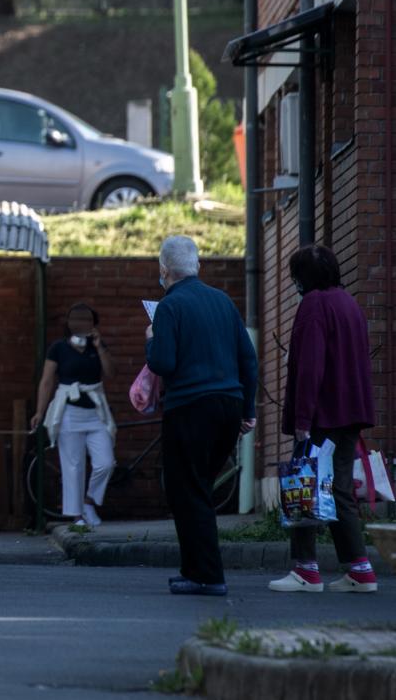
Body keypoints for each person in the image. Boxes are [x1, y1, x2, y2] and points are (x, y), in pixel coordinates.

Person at [145, 236, 257, 596]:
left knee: (186, 491)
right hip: (228, 406)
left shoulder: (169, 307)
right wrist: (248, 409)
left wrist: (151, 338)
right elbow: (248, 359)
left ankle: (207, 575)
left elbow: (163, 363)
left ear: (164, 270)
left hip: (189, 407)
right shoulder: (224, 302)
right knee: (200, 489)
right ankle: (198, 571)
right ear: (198, 266)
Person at [268, 245, 379, 594]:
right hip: (350, 413)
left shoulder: (314, 305)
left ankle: (305, 569)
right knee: (340, 490)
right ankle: (359, 569)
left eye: (295, 276)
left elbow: (311, 365)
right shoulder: (349, 304)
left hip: (322, 414)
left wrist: (303, 417)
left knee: (305, 487)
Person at [30, 303, 117, 528]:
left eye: (86, 321)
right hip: (69, 412)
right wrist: (40, 411)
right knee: (72, 465)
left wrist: (99, 347)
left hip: (95, 412)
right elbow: (47, 380)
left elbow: (110, 373)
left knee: (105, 462)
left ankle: (90, 501)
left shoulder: (96, 346)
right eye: (76, 320)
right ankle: (76, 515)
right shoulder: (58, 348)